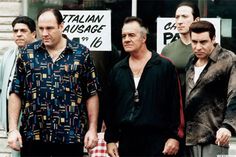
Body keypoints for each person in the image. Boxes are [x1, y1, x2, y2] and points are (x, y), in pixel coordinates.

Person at [7, 8, 100, 157]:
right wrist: (12, 129)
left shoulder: (81, 53)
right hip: (33, 135)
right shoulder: (27, 54)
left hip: (70, 135)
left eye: (49, 28)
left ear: (61, 26)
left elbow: (91, 93)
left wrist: (92, 129)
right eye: (41, 28)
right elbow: (15, 92)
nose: (44, 33)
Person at [104, 16, 183, 156]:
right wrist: (110, 139)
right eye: (123, 36)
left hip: (158, 142)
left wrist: (174, 136)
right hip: (127, 142)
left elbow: (175, 105)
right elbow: (110, 108)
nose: (126, 39)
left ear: (144, 38)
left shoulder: (164, 66)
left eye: (131, 35)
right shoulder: (117, 70)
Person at [185, 20, 236, 157]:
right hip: (189, 138)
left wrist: (228, 126)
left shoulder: (228, 59)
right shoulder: (191, 61)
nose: (198, 47)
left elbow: (235, 95)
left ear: (213, 39)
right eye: (194, 42)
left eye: (203, 42)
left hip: (215, 137)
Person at [0, 16, 36, 157]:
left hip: (33, 118)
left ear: (33, 34)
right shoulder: (8, 55)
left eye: (23, 30)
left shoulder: (41, 56)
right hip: (13, 116)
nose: (18, 34)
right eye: (15, 31)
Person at [161, 1, 200, 101]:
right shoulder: (167, 50)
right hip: (175, 106)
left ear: (196, 20)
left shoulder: (206, 49)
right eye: (177, 17)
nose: (179, 21)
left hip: (202, 107)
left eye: (184, 16)